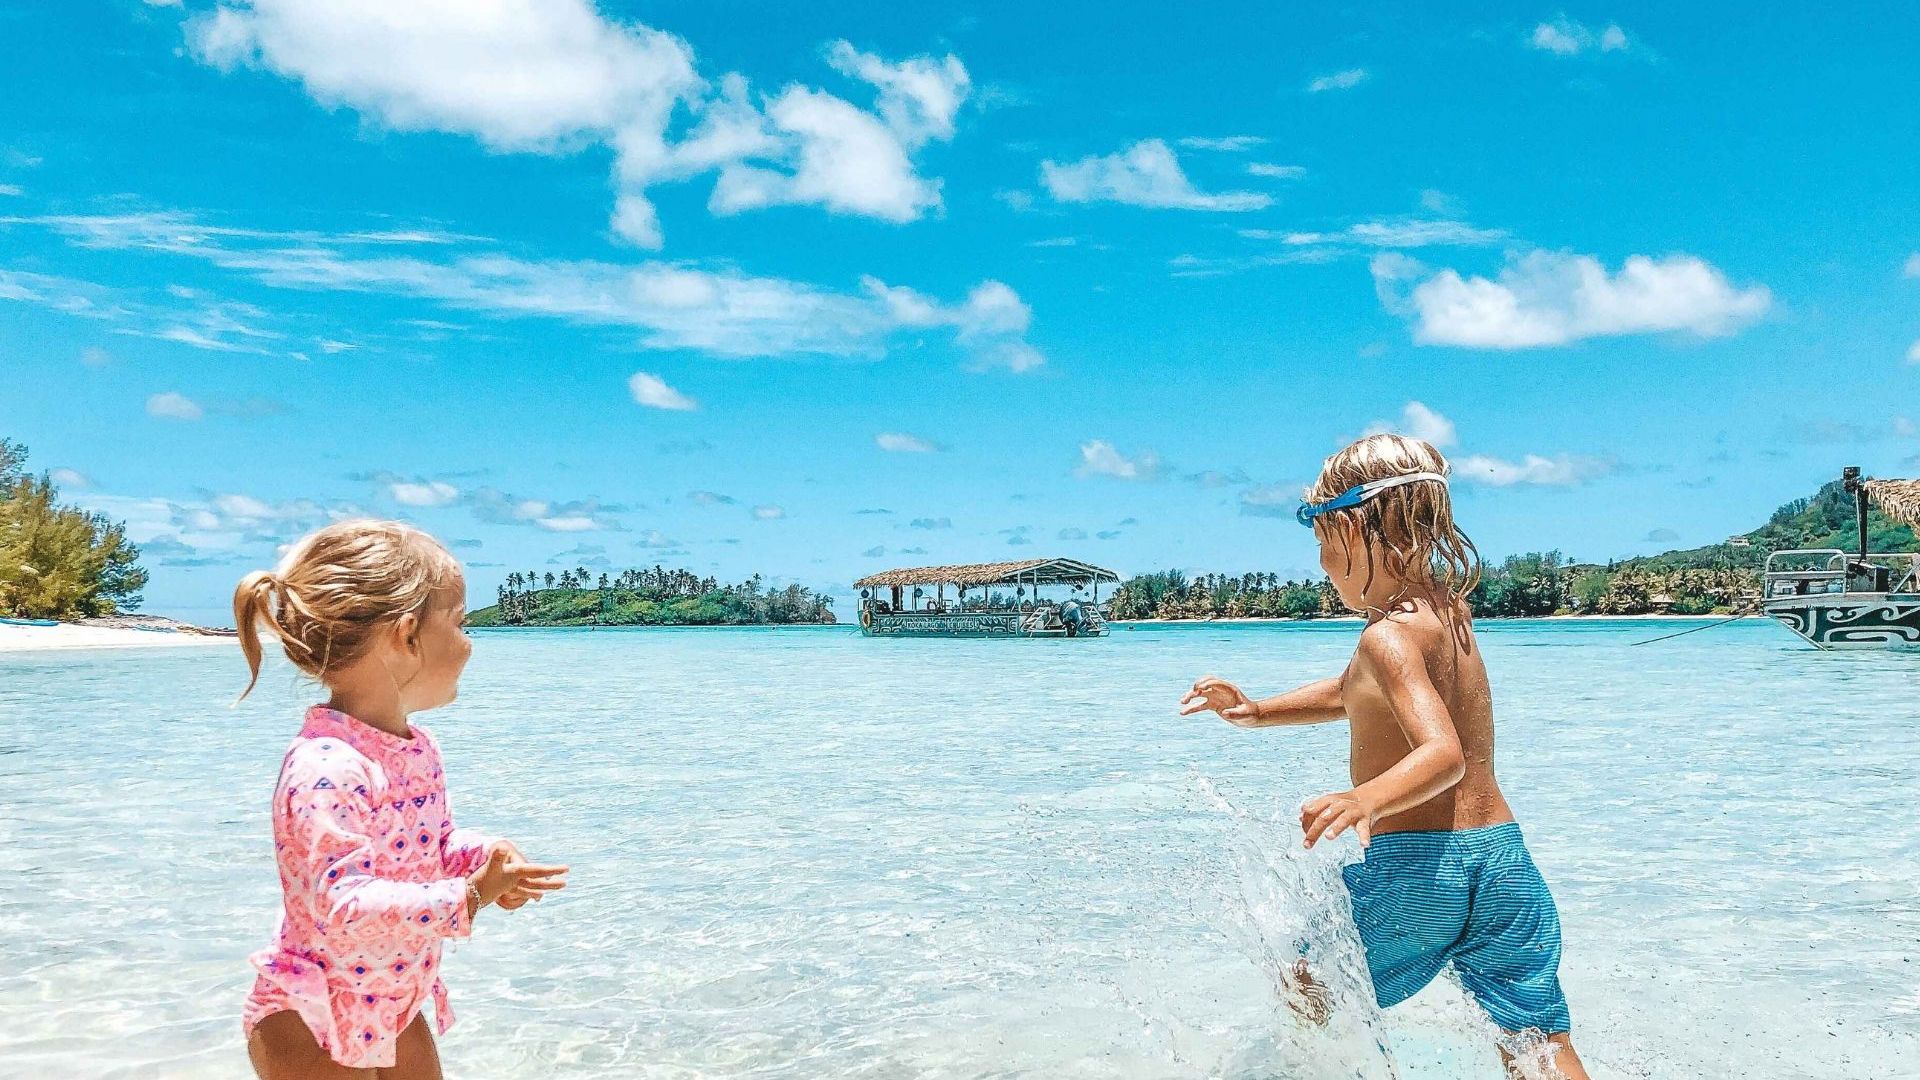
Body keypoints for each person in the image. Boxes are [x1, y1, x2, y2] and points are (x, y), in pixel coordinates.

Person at [1179, 434, 1589, 1079]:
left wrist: (1362, 799)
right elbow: (1357, 694)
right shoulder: (1449, 612)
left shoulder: (1385, 636)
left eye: (1321, 544)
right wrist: (1259, 710)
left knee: (1310, 989)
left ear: (1354, 528)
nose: (1320, 566)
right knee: (1534, 1042)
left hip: (1422, 871)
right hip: (1504, 861)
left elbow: (1443, 754)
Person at [233, 520, 569, 1079]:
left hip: (392, 997)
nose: (469, 643)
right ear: (405, 635)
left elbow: (426, 846)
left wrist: (482, 856)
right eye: (459, 622)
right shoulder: (327, 765)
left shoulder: (414, 747)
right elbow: (341, 904)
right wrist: (469, 896)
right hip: (318, 1015)